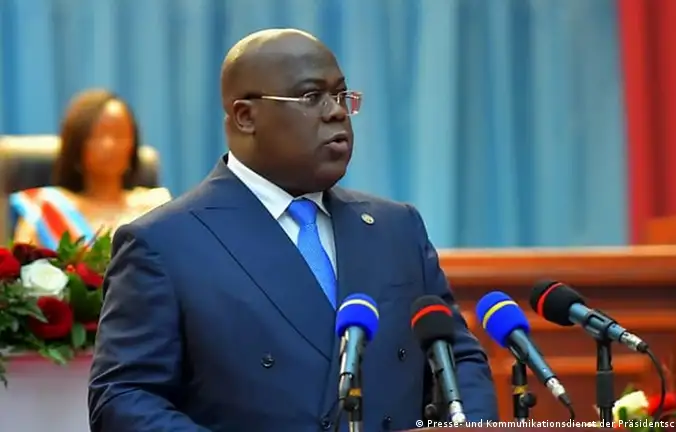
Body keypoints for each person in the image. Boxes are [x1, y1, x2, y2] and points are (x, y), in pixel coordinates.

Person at [88, 29, 498, 432]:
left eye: (341, 95)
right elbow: (124, 398)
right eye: (311, 96)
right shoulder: (164, 243)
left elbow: (458, 360)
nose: (336, 112)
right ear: (246, 117)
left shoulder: (396, 228)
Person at [9, 89, 171, 249]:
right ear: (76, 144)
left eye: (120, 135)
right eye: (98, 136)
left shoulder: (156, 207)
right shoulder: (45, 208)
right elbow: (24, 263)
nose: (110, 145)